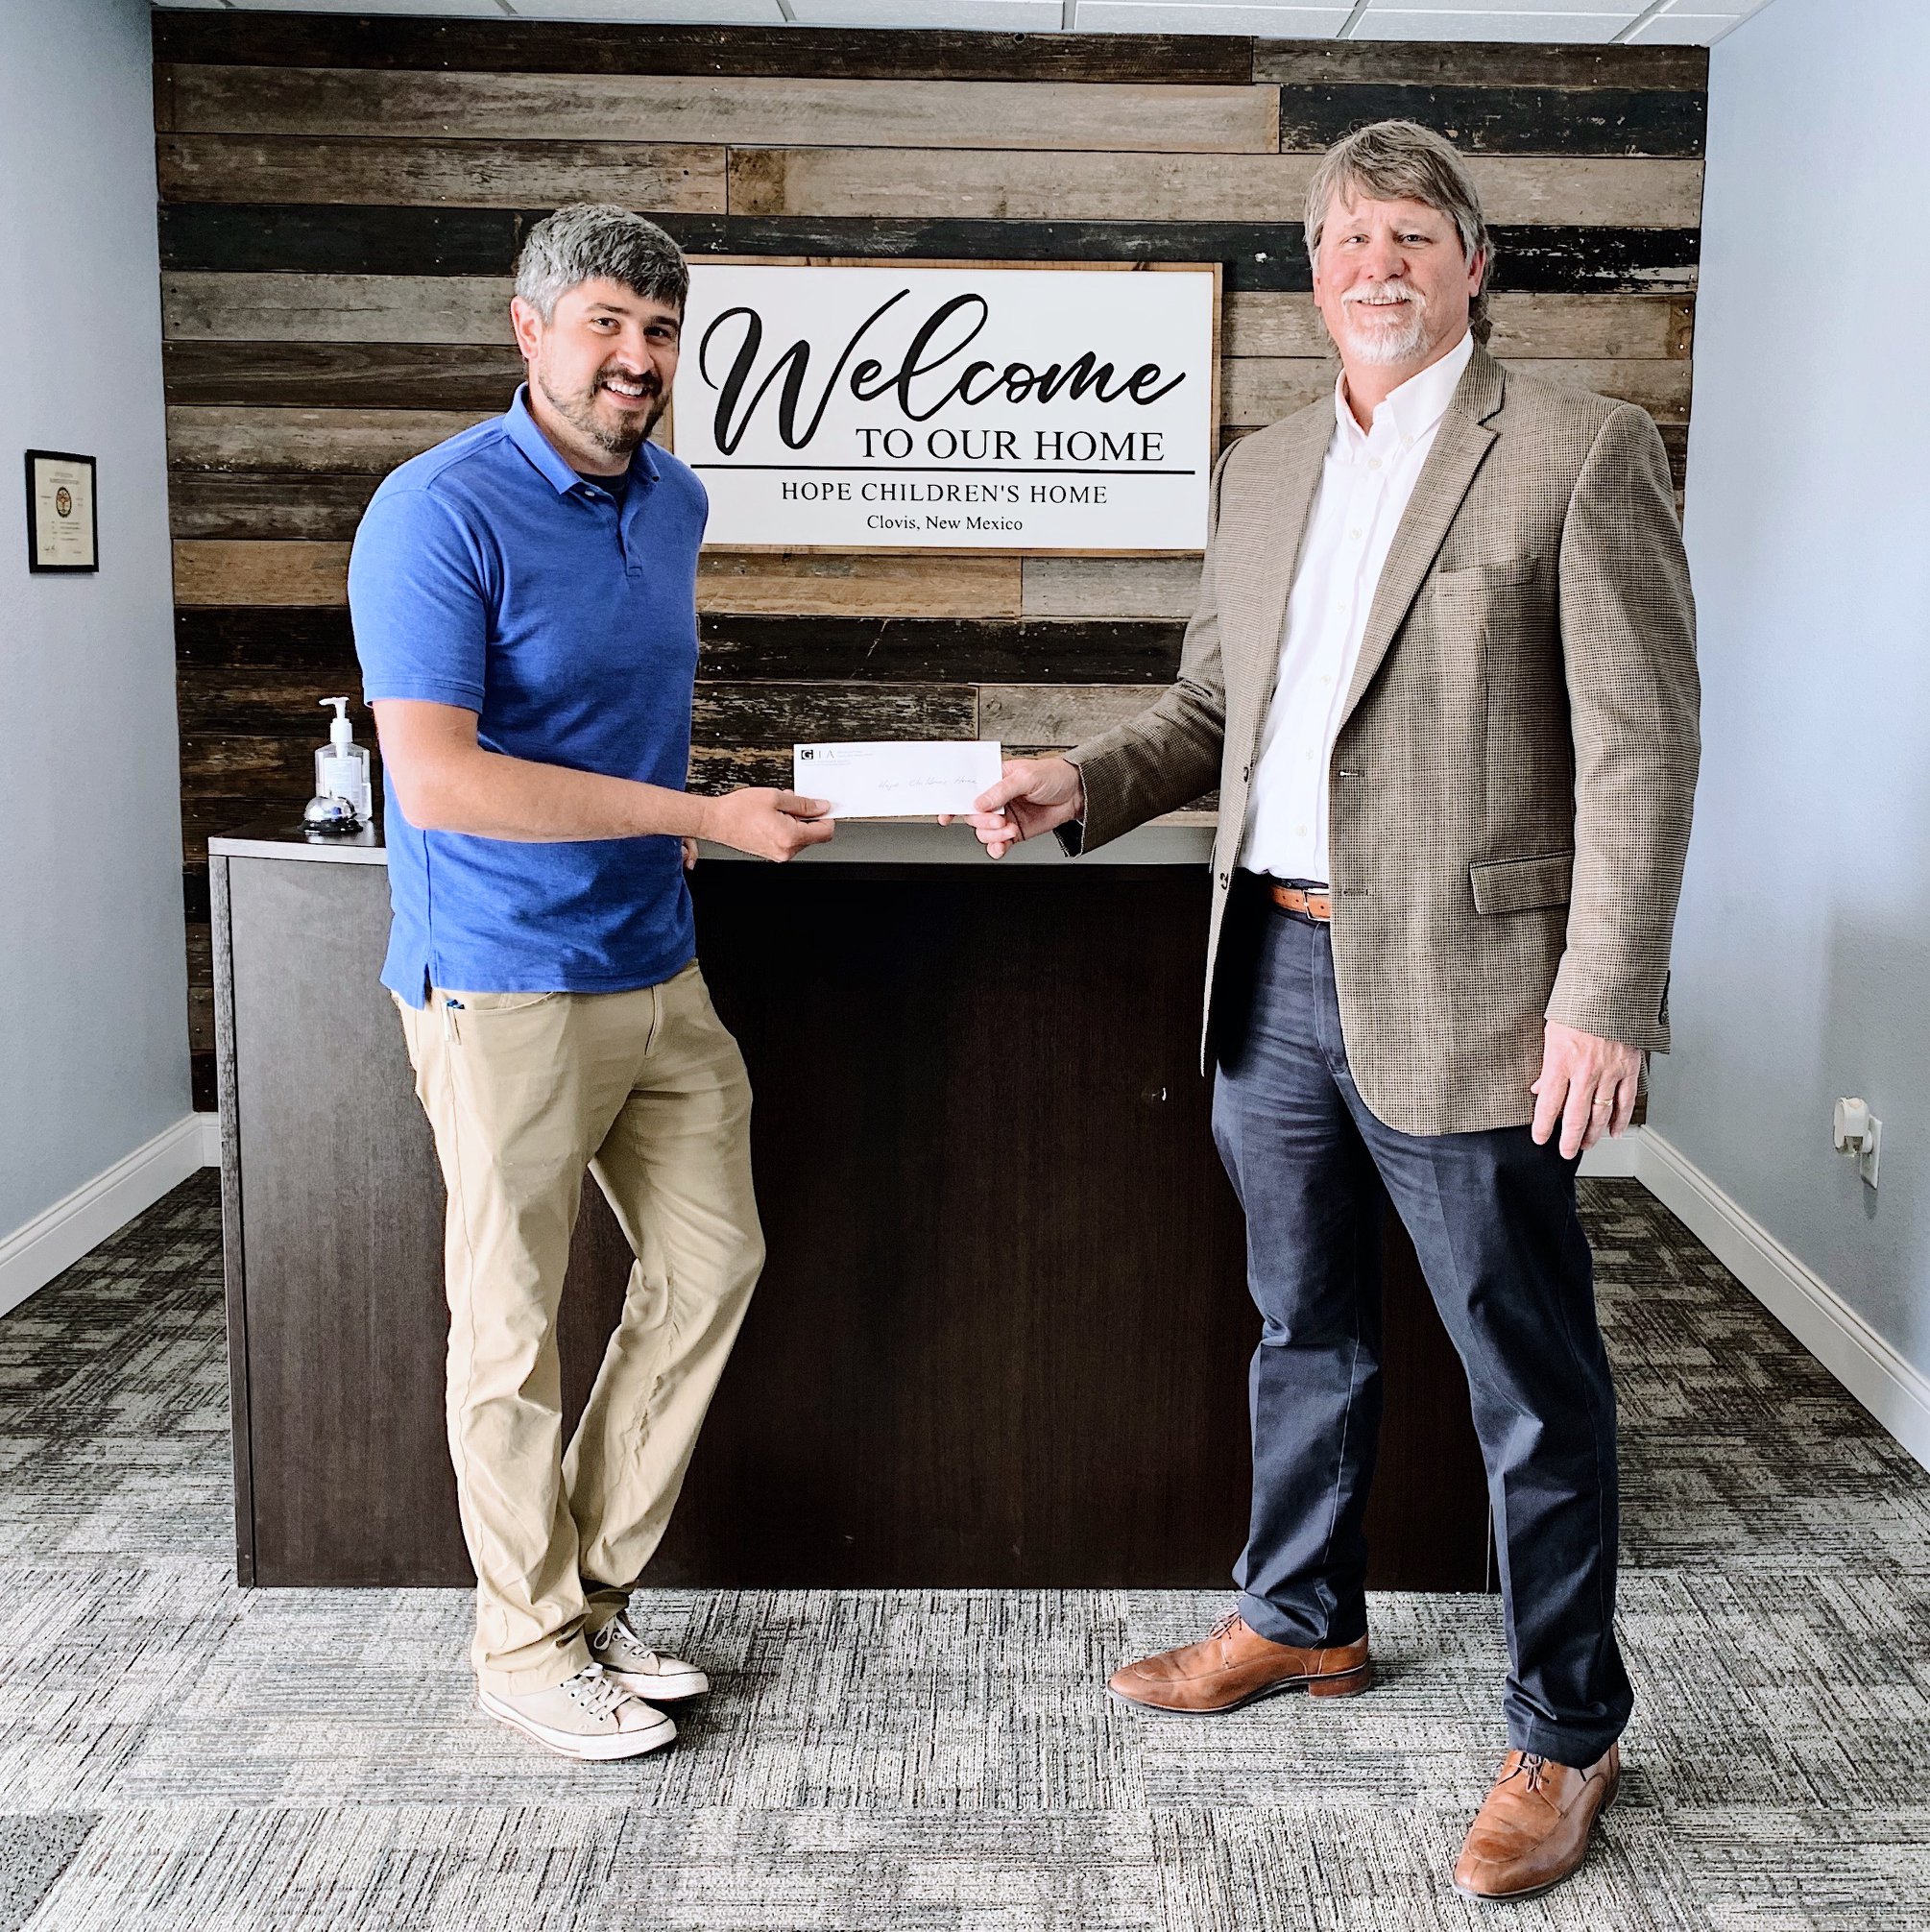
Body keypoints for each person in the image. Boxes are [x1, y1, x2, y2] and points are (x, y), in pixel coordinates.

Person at [961, 122, 1699, 1901]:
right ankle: (1300, 1615)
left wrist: (1604, 993)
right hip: (1272, 970)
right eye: (1348, 237)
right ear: (1313, 274)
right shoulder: (1266, 464)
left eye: (1411, 235)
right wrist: (1082, 780)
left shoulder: (1579, 450)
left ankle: (1567, 1728)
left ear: (1470, 266)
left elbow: (1640, 746)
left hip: (1474, 986)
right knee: (1301, 1326)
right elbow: (1213, 709)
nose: (1377, 264)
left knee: (1527, 1381)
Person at [349, 205, 832, 1762]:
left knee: (714, 1261)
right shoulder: (437, 512)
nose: (636, 357)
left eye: (660, 331)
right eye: (606, 323)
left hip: (654, 962)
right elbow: (439, 779)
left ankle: (589, 1599)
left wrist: (676, 822)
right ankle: (523, 1645)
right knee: (509, 1329)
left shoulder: (673, 499)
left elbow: (604, 721)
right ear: (529, 330)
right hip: (503, 980)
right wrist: (699, 813)